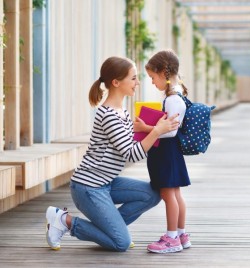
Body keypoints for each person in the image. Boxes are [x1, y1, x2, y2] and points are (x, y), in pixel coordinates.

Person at [45, 56, 179, 252]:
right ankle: (65, 221)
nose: (138, 82)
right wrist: (157, 131)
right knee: (120, 243)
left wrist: (148, 128)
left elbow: (129, 141)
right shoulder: (108, 115)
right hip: (88, 188)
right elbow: (131, 154)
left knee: (152, 194)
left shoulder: (121, 111)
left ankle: (112, 230)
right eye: (133, 78)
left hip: (106, 182)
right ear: (116, 82)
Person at [134, 49, 191, 253]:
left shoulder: (172, 99)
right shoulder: (177, 95)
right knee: (175, 194)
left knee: (169, 195)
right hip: (170, 154)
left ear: (163, 72)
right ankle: (181, 234)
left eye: (152, 77)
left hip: (166, 153)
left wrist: (144, 128)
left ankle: (171, 238)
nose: (151, 82)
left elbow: (170, 132)